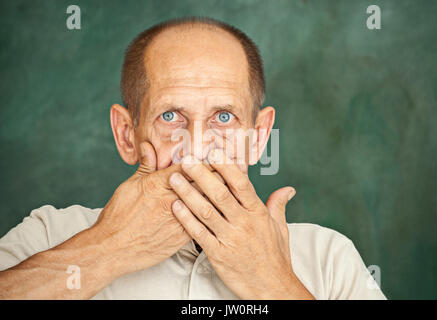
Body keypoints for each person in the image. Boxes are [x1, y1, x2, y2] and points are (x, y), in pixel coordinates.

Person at [0, 17, 386, 300]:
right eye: (171, 116)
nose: (198, 147)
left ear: (259, 137)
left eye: (223, 117)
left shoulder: (328, 257)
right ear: (126, 134)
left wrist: (272, 283)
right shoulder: (50, 235)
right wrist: (109, 249)